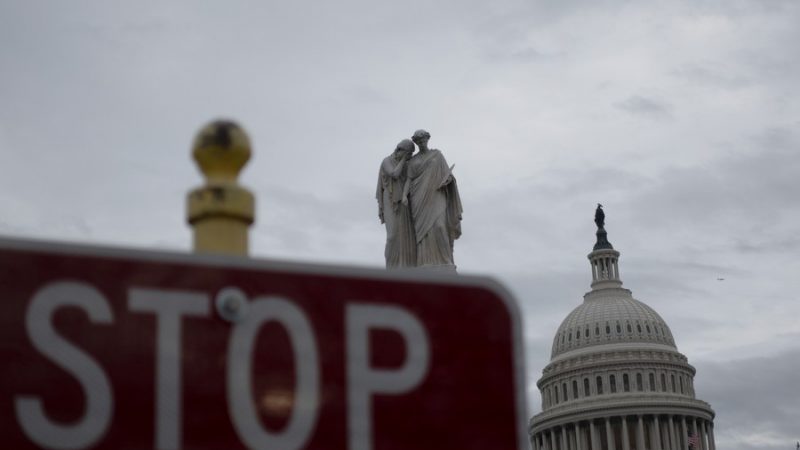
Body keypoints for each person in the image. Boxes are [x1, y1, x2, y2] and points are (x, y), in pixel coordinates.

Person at [402, 129, 462, 270]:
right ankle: (424, 262)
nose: (422, 143)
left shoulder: (437, 155)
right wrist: (404, 195)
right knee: (424, 232)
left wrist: (448, 179)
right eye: (419, 141)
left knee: (440, 226)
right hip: (419, 197)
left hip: (437, 193)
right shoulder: (413, 161)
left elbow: (447, 174)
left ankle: (446, 261)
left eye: (424, 140)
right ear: (416, 142)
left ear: (428, 139)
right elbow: (409, 180)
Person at [376, 139, 417, 268]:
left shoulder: (406, 164)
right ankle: (390, 267)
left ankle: (405, 266)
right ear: (400, 150)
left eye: (410, 155)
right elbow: (394, 174)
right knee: (392, 236)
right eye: (408, 153)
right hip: (390, 199)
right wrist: (404, 159)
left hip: (403, 203)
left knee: (405, 237)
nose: (409, 157)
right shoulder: (387, 161)